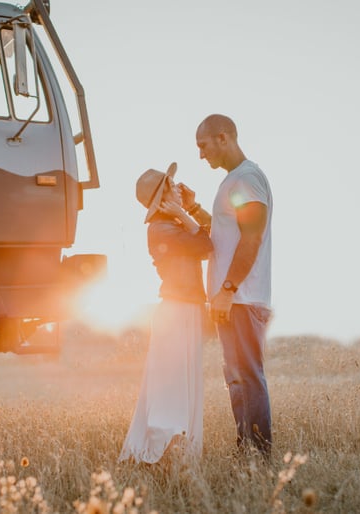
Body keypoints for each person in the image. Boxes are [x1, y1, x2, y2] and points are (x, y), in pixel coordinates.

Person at [190, 114, 274, 457]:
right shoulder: (236, 181)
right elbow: (225, 234)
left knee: (248, 377)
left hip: (240, 296)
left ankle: (259, 455)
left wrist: (226, 289)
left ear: (223, 138)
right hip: (232, 297)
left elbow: (251, 239)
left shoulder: (246, 179)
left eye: (203, 145)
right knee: (237, 378)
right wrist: (193, 208)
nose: (201, 155)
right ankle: (246, 451)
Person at [118, 162, 213, 464]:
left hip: (187, 308)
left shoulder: (172, 224)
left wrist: (193, 206)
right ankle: (157, 452)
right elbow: (207, 245)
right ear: (162, 198)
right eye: (171, 186)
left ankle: (178, 452)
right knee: (170, 386)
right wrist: (185, 213)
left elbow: (214, 232)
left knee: (181, 383)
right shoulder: (162, 228)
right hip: (177, 310)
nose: (178, 186)